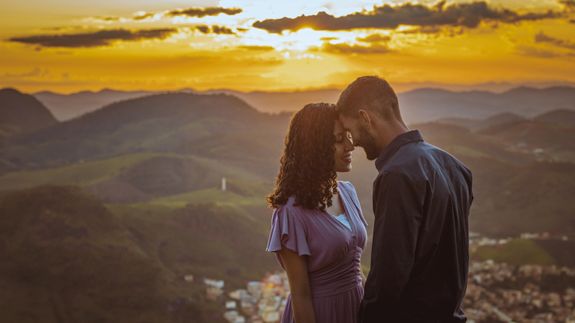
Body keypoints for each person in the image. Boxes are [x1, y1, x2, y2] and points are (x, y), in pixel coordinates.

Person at [336, 76, 474, 323]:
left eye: (350, 131)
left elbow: (388, 276)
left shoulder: (397, 175)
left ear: (365, 118)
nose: (352, 142)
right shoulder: (454, 167)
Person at [266, 103, 368, 323]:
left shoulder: (348, 192)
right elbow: (300, 296)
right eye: (339, 139)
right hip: (322, 314)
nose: (350, 146)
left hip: (357, 309)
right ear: (315, 147)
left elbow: (356, 267)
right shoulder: (291, 212)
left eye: (348, 136)